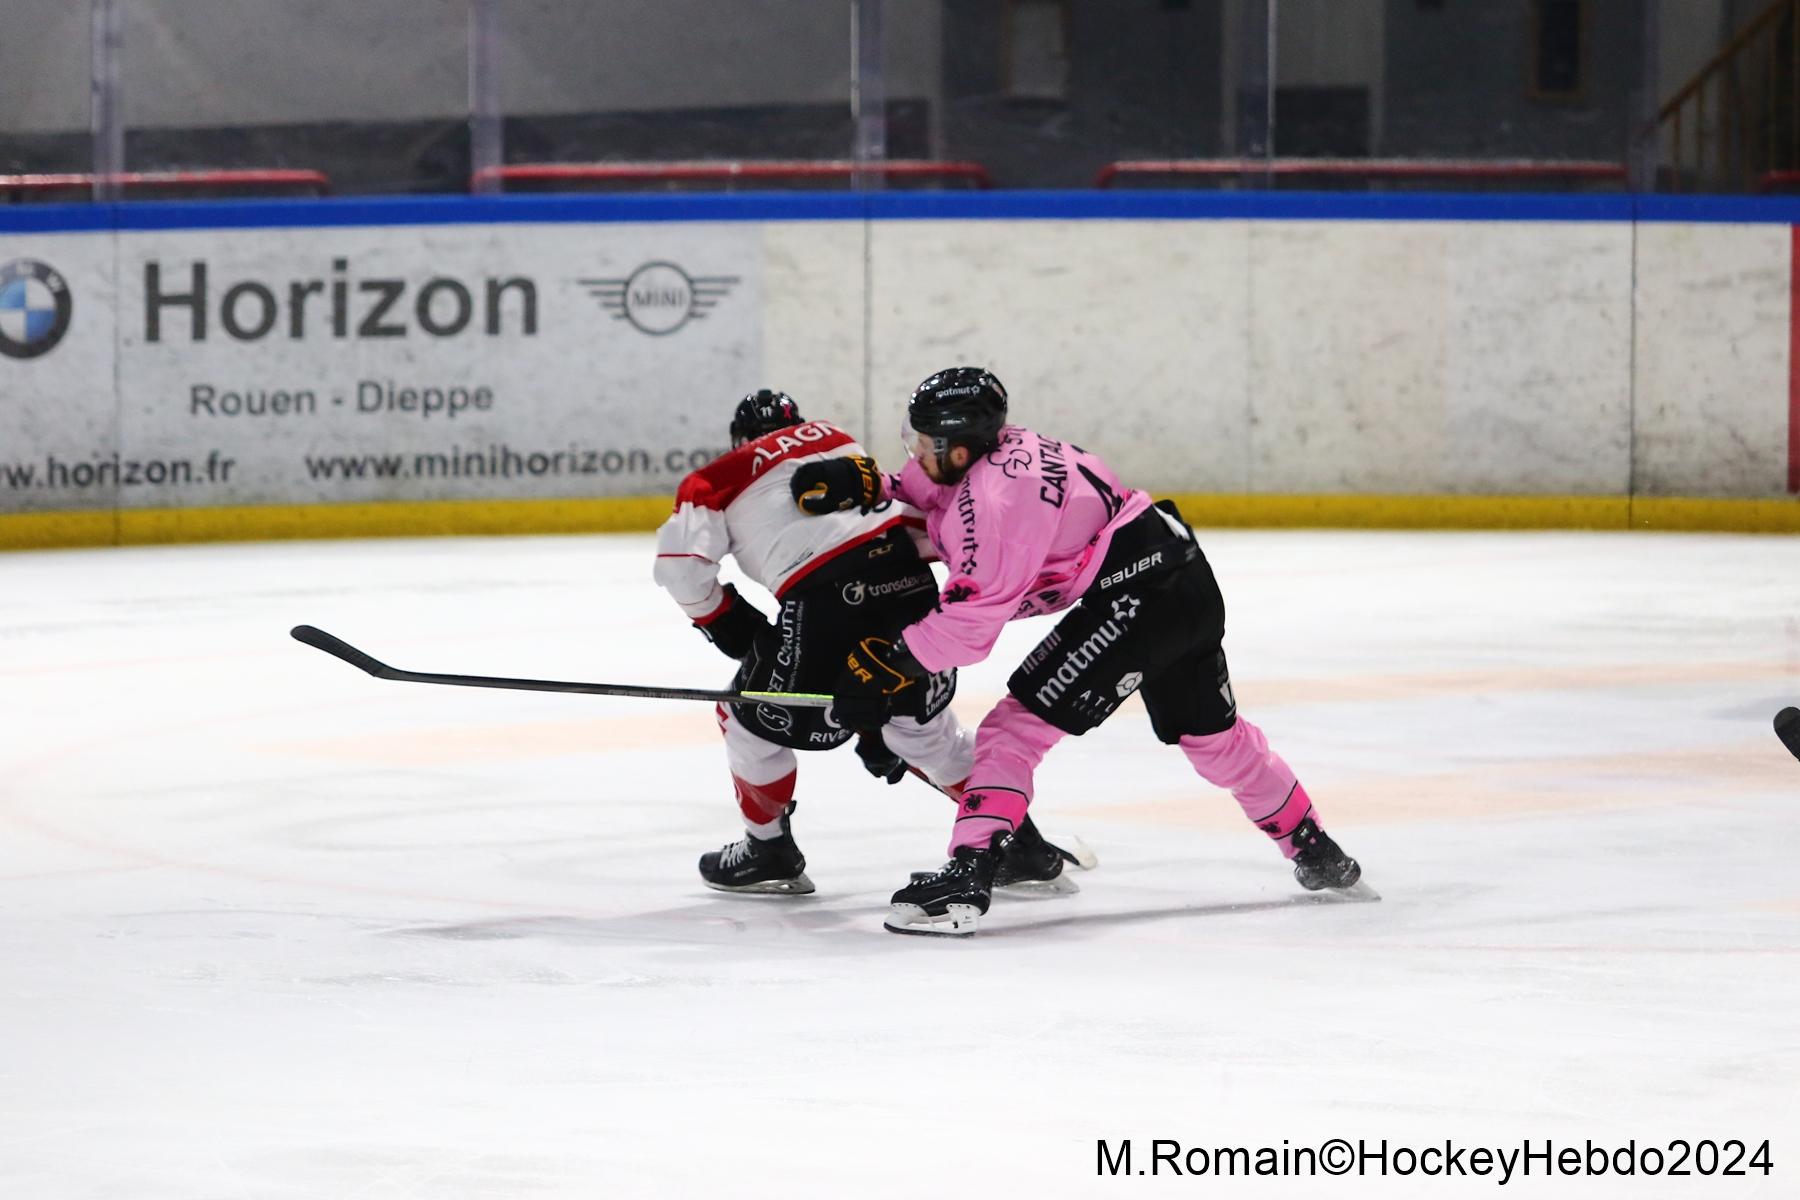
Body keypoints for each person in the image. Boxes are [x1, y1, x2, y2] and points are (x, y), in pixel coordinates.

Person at [791, 367, 1363, 935]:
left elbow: (969, 624)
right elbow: (942, 492)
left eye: (923, 443)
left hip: (1140, 600)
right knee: (1215, 741)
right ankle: (1316, 849)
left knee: (1011, 733)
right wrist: (879, 485)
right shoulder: (1001, 450)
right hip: (1182, 578)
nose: (915, 453)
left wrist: (887, 669)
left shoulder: (997, 505)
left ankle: (969, 875)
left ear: (959, 448)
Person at [654, 388, 1080, 897]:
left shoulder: (715, 477)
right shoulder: (838, 440)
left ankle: (768, 850)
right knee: (926, 740)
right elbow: (919, 521)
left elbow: (680, 570)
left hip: (828, 604)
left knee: (746, 724)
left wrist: (729, 624)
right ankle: (1021, 845)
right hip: (913, 592)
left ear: (740, 439)